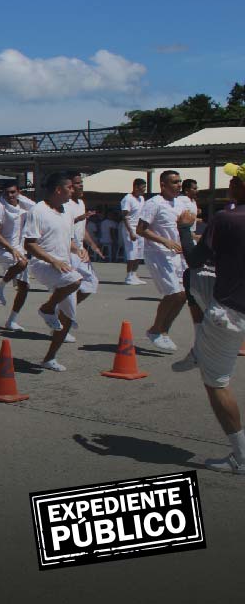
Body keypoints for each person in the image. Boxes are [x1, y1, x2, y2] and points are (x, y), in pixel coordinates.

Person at [172, 163, 245, 474]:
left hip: (227, 312)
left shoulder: (226, 218)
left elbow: (193, 257)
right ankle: (199, 348)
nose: (230, 182)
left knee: (216, 384)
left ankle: (241, 456)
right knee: (194, 280)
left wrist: (185, 228)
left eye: (235, 179)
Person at [23, 173, 83, 372]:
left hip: (63, 265)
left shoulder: (66, 211)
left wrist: (78, 249)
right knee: (75, 280)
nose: (73, 190)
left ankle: (49, 358)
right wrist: (53, 260)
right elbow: (30, 244)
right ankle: (47, 308)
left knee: (67, 317)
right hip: (43, 265)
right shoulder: (37, 211)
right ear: (59, 189)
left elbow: (65, 238)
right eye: (70, 187)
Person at [137, 170, 193, 351]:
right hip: (159, 253)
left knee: (183, 295)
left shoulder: (180, 203)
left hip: (177, 255)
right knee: (173, 293)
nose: (178, 185)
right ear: (163, 185)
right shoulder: (154, 203)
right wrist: (165, 241)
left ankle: (163, 332)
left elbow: (182, 228)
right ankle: (154, 329)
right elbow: (141, 229)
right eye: (175, 182)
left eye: (179, 182)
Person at [64, 171, 103, 342]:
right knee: (73, 284)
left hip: (80, 250)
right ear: (69, 187)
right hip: (67, 250)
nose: (81, 186)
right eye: (77, 183)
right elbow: (62, 227)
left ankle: (63, 311)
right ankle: (63, 320)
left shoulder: (81, 202)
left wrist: (93, 246)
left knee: (90, 283)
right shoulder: (65, 205)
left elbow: (83, 228)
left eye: (81, 183)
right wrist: (79, 218)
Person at [0, 180, 31, 331]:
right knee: (22, 263)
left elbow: (38, 209)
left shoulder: (23, 205)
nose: (10, 195)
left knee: (24, 287)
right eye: (7, 192)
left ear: (18, 192)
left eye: (13, 192)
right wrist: (11, 249)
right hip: (2, 250)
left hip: (19, 249)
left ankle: (11, 321)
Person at [120, 178, 147, 285]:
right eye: (142, 187)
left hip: (139, 229)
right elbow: (125, 216)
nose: (144, 189)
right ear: (136, 187)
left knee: (139, 254)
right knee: (132, 254)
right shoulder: (127, 199)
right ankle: (128, 276)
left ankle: (134, 274)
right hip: (130, 229)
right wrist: (131, 232)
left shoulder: (141, 198)